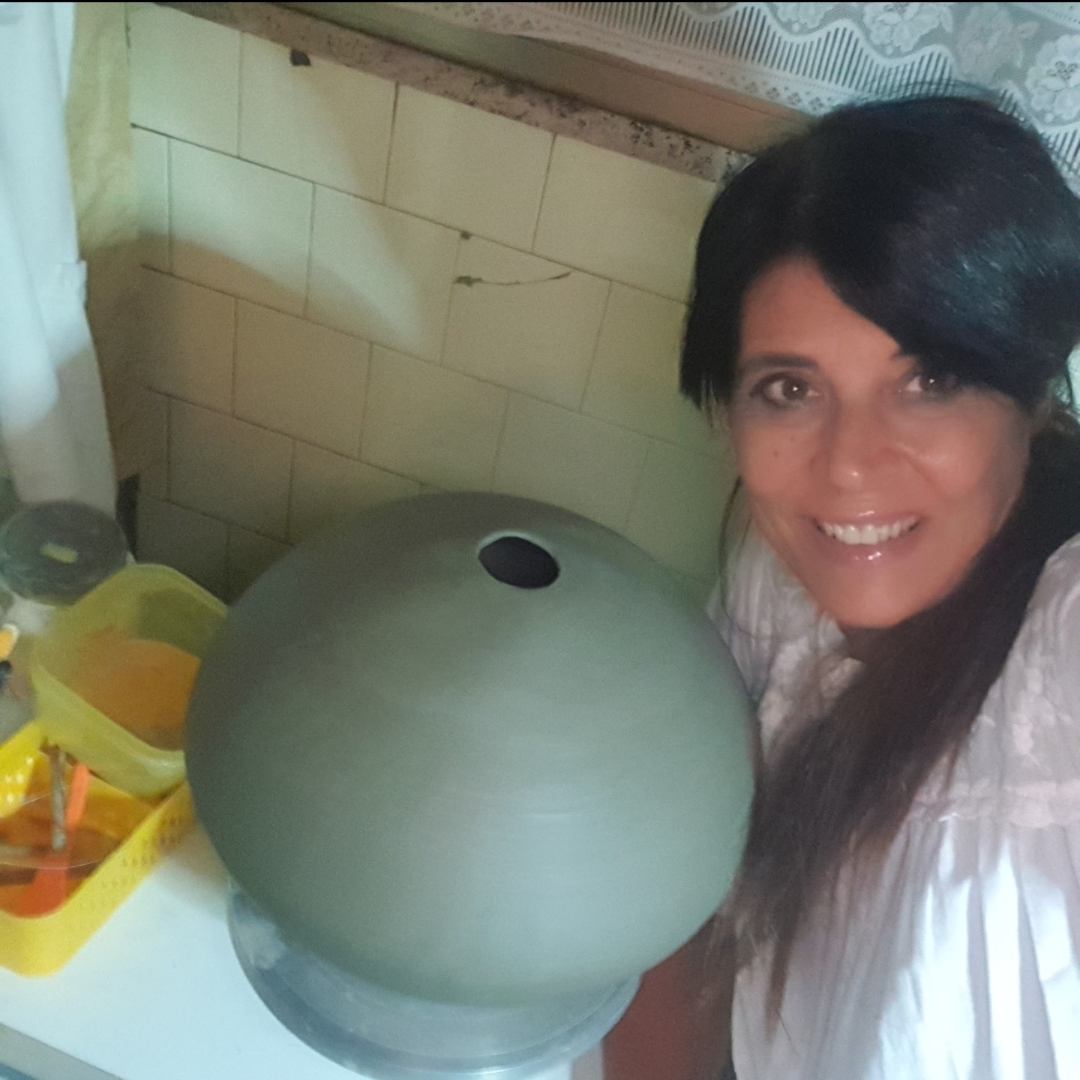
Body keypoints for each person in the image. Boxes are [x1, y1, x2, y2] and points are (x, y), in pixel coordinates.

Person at [605, 95, 1080, 1079]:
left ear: (1034, 391)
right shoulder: (775, 575)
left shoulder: (1058, 651)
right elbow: (684, 891)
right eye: (789, 390)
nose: (849, 467)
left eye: (931, 380)